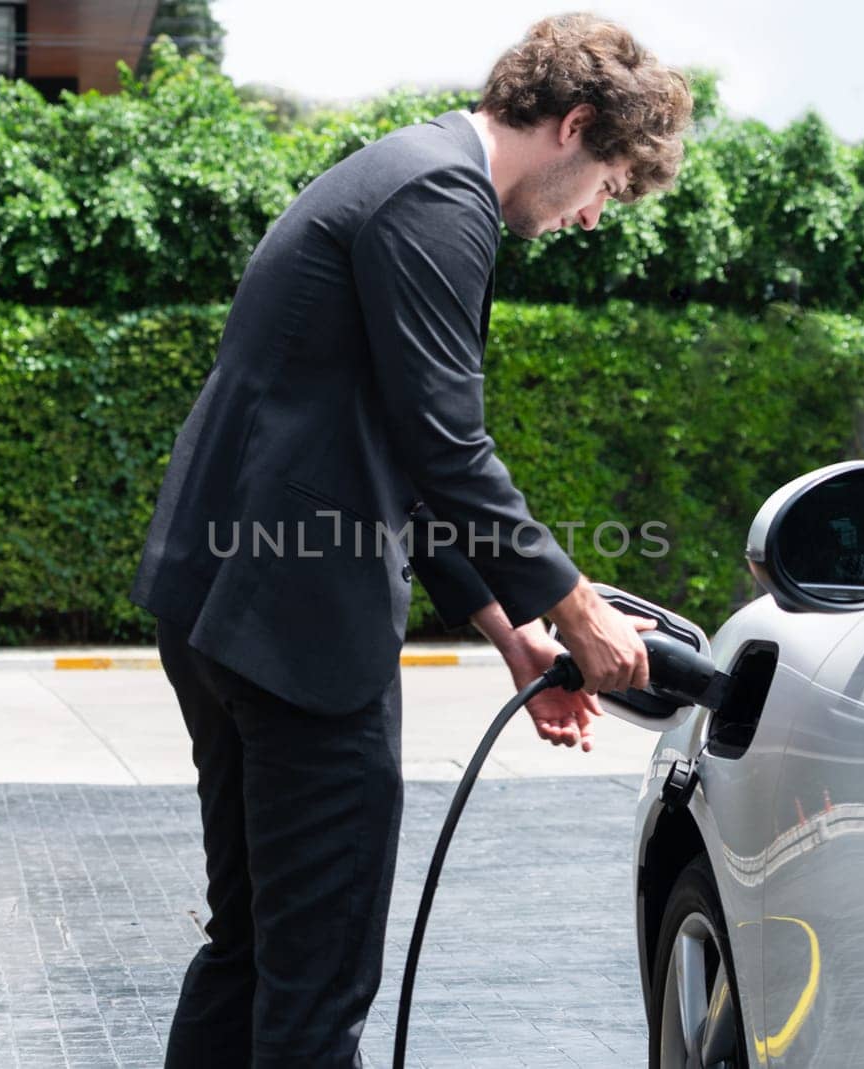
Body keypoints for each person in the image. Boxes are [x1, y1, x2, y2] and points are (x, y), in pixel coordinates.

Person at [128, 15, 693, 1066]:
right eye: (608, 188)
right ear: (574, 126)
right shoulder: (441, 199)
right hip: (293, 636)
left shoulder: (405, 174)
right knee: (318, 978)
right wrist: (578, 608)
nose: (588, 218)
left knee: (252, 947)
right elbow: (448, 446)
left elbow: (394, 443)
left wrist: (511, 630)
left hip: (223, 612)